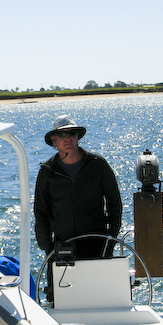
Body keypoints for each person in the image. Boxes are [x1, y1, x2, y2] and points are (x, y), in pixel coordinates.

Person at [34, 114, 123, 297]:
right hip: (62, 245)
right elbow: (41, 211)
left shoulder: (98, 164)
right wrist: (47, 247)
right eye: (62, 134)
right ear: (54, 140)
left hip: (97, 242)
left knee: (99, 295)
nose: (68, 138)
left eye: (72, 133)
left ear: (78, 137)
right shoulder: (47, 171)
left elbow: (114, 203)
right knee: (61, 298)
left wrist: (111, 238)